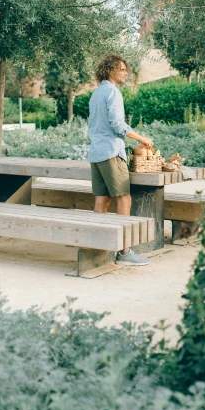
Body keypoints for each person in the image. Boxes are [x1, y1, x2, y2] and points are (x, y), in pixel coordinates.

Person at [87, 53, 153, 266]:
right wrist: (142, 138)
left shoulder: (96, 93)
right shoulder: (113, 93)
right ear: (110, 71)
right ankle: (124, 252)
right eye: (122, 69)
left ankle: (100, 249)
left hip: (96, 153)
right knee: (124, 198)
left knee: (102, 201)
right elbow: (118, 125)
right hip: (111, 152)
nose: (126, 72)